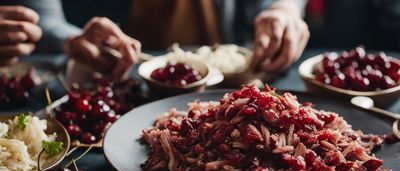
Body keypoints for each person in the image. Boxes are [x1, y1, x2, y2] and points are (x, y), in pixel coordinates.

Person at [0, 0, 309, 80]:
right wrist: (72, 39)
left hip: (231, 77)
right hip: (111, 76)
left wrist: (284, 9)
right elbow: (41, 15)